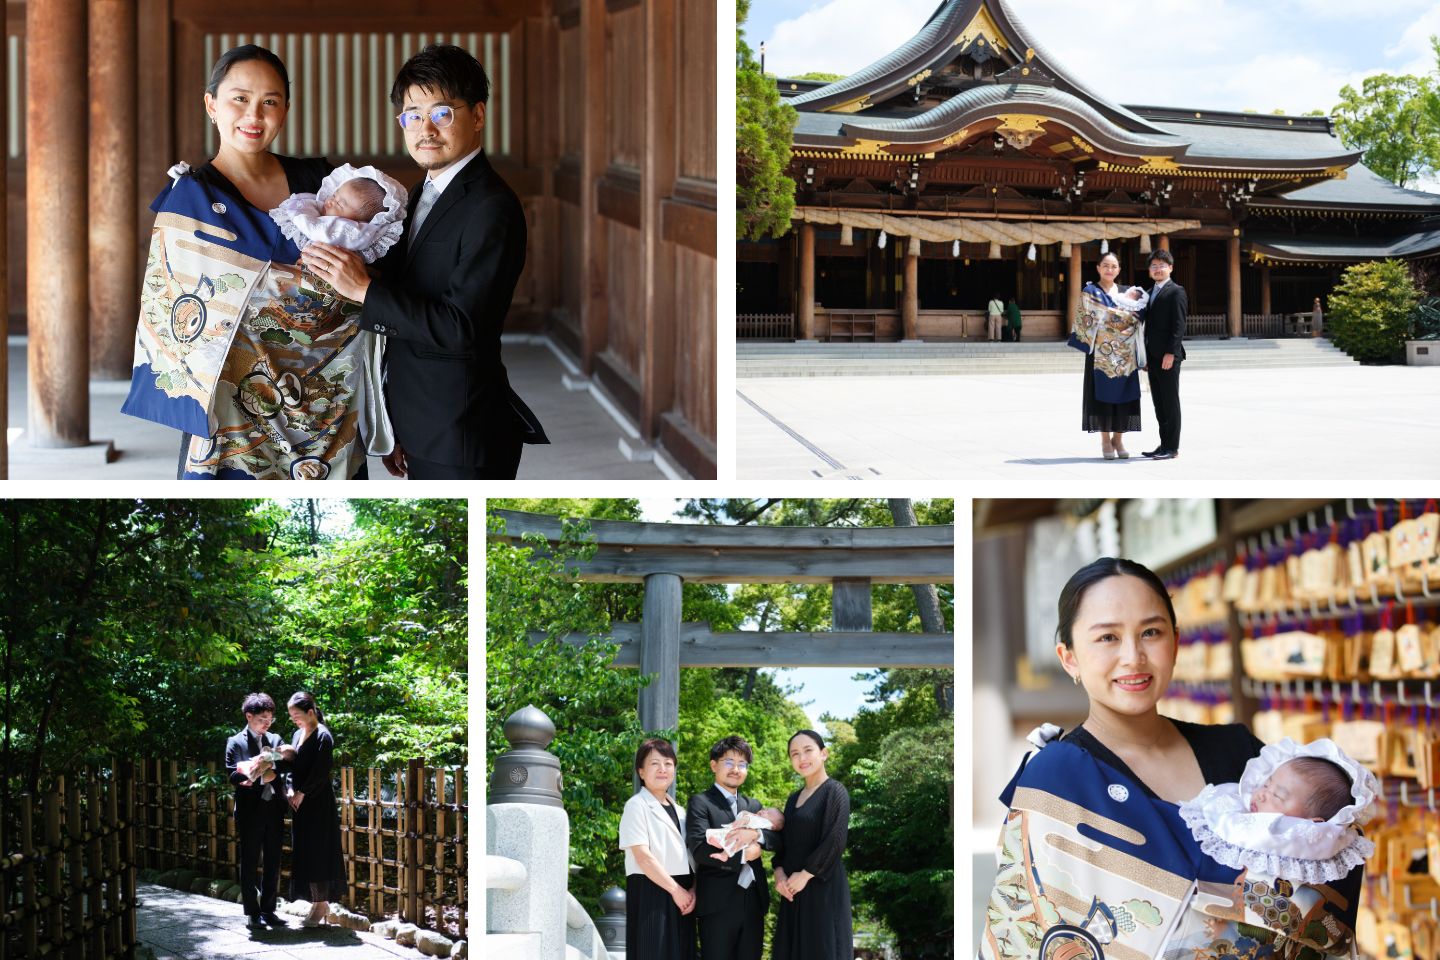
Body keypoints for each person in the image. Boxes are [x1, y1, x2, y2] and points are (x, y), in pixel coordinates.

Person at [979, 557, 1363, 960]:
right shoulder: (1057, 778)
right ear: (1069, 657)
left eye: (1150, 632)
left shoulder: (1241, 755)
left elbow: (1332, 868)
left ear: (1175, 642)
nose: (1133, 656)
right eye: (1107, 637)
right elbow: (1026, 925)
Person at [122, 44, 385, 480]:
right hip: (230, 411)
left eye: (270, 102)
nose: (254, 115)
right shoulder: (191, 198)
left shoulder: (322, 181)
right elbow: (171, 305)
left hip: (325, 402)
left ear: (286, 110)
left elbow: (372, 268)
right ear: (211, 104)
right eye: (239, 99)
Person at [301, 43, 549, 480]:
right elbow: (412, 293)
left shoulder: (491, 206)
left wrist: (364, 289)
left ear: (477, 115)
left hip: (462, 431)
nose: (425, 129)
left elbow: (461, 329)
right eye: (412, 115)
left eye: (442, 113)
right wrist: (398, 423)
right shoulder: (422, 192)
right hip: (423, 421)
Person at [1179, 737, 1376, 885]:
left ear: (1313, 825)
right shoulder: (1239, 806)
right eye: (1266, 784)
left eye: (1278, 796)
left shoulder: (1295, 843)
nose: (1262, 795)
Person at [685, 736, 781, 960]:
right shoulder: (701, 802)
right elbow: (699, 848)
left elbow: (778, 839)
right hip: (717, 904)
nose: (736, 769)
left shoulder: (754, 806)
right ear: (713, 765)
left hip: (754, 903)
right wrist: (743, 856)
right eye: (729, 762)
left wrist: (757, 835)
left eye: (742, 764)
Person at [772, 730, 852, 960]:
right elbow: (783, 844)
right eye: (794, 753)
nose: (802, 758)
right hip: (792, 892)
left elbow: (835, 840)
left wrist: (805, 875)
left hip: (823, 890)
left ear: (824, 753)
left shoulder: (835, 791)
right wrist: (779, 874)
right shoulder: (792, 799)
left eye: (808, 750)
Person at [619, 739, 696, 960]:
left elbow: (693, 857)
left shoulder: (680, 810)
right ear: (641, 772)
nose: (663, 769)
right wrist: (676, 891)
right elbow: (643, 857)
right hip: (651, 892)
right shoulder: (636, 805)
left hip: (685, 897)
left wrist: (693, 891)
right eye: (654, 763)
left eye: (668, 763)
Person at [1069, 252, 1145, 459]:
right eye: (1106, 265)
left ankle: (1118, 440)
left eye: (1113, 266)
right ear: (1098, 268)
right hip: (1101, 354)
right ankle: (1105, 440)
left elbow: (1139, 318)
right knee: (1102, 398)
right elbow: (1085, 318)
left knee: (1125, 398)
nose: (1109, 269)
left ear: (1119, 269)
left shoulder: (1129, 293)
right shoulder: (1090, 291)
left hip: (1125, 355)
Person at [224, 693, 290, 930]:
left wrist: (269, 765)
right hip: (250, 810)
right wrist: (258, 773)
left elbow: (285, 763)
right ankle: (252, 912)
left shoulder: (275, 739)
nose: (267, 723)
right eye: (262, 718)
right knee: (250, 861)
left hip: (273, 807)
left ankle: (269, 909)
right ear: (248, 716)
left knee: (274, 859)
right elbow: (233, 773)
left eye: (270, 718)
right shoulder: (235, 741)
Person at [285, 691, 346, 926]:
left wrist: (303, 792)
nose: (294, 719)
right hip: (299, 803)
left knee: (319, 851)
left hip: (318, 802)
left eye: (297, 715)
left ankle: (321, 904)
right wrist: (291, 789)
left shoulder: (323, 736)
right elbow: (292, 766)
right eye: (291, 716)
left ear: (310, 712)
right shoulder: (297, 733)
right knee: (305, 851)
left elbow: (321, 772)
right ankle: (316, 902)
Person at [1142, 249, 1186, 460]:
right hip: (1152, 356)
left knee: (1170, 401)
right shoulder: (1149, 293)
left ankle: (1172, 447)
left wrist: (1170, 352)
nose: (1157, 269)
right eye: (1154, 266)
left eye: (1162, 265)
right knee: (1159, 403)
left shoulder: (1176, 291)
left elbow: (1179, 326)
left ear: (1170, 268)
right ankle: (1163, 444)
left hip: (1168, 356)